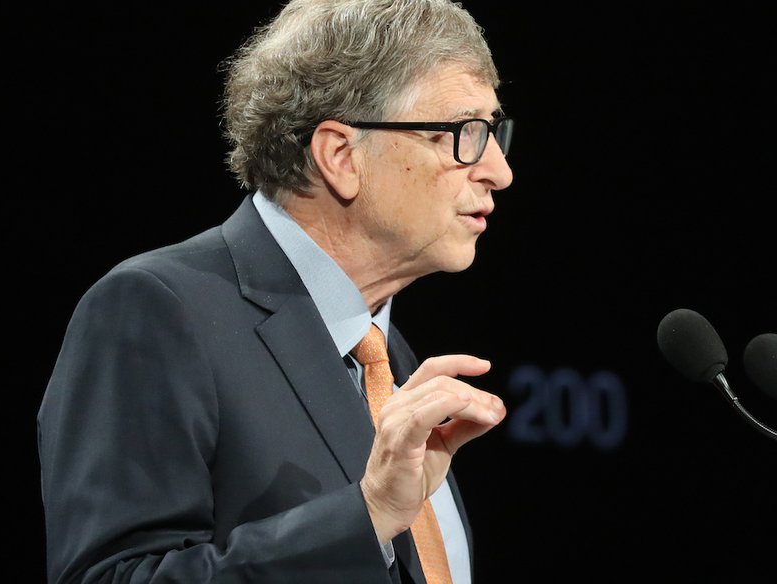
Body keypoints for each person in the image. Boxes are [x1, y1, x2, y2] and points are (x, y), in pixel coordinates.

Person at [36, 0, 514, 582]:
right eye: (464, 133)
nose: (498, 169)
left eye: (493, 132)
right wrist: (366, 517)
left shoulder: (387, 355)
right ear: (340, 156)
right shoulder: (156, 310)